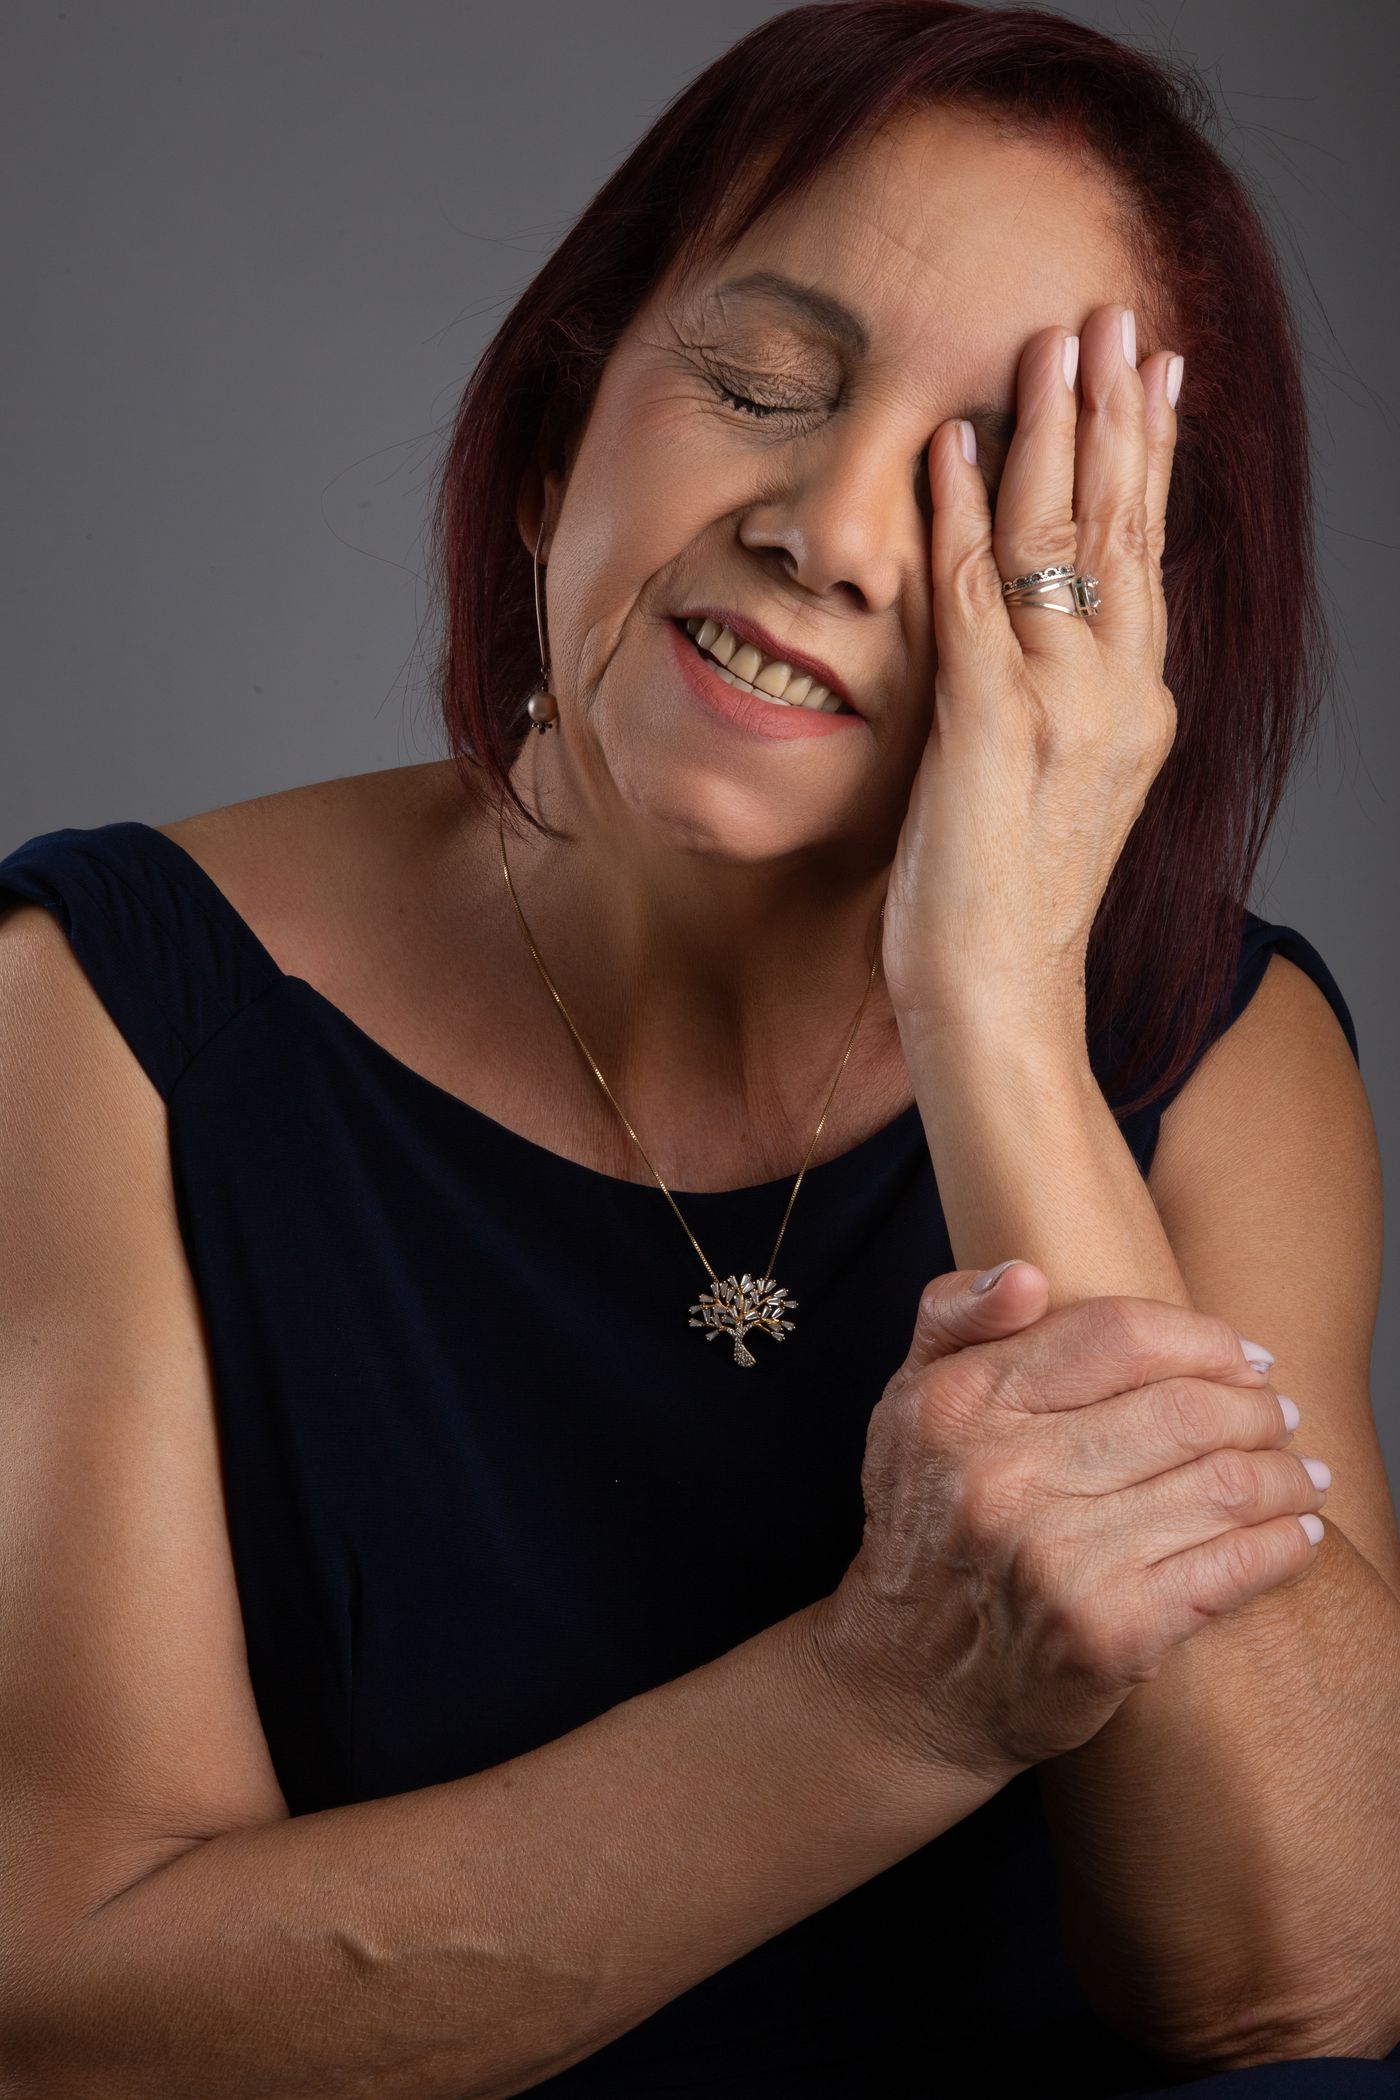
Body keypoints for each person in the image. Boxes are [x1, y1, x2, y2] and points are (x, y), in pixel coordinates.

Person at [2, 5, 1398, 2095]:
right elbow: (66, 2016)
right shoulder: (108, 1018)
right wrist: (888, 1703)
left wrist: (1000, 1012)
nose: (825, 529)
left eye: (992, 488)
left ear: (1119, 625)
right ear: (558, 429)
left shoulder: (1217, 1052)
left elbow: (1305, 1982)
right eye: (758, 387)